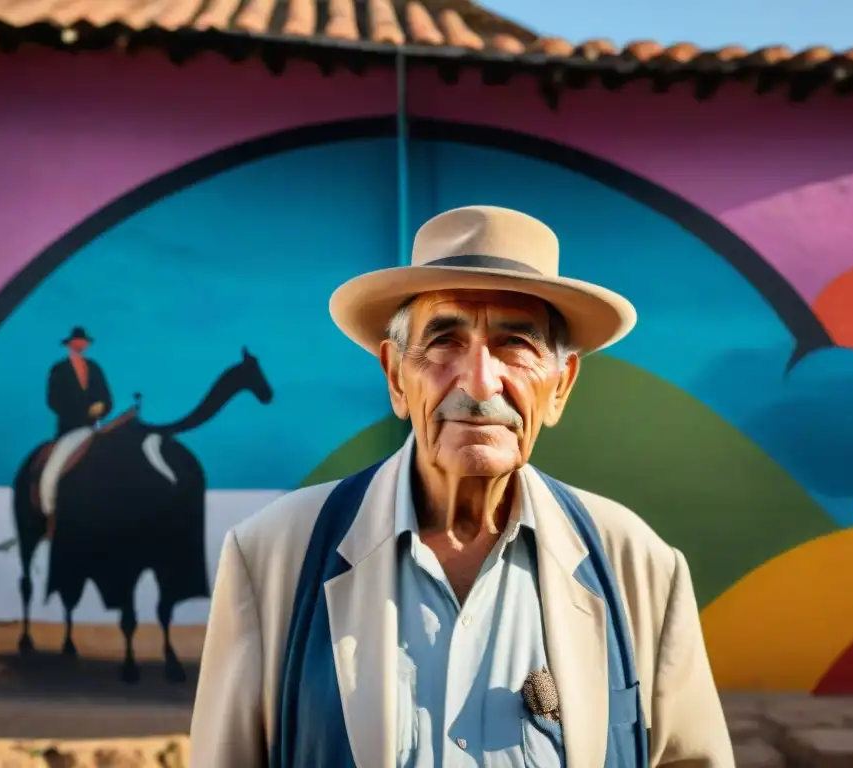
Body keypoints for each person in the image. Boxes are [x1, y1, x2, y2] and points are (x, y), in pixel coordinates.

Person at [190, 206, 734, 767]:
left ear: (560, 387)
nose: (478, 382)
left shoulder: (636, 565)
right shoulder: (274, 556)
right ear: (395, 378)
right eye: (445, 340)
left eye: (515, 345)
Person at [38, 327, 113, 531]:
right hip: (68, 429)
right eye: (76, 342)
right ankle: (49, 513)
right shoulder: (59, 369)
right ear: (70, 345)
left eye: (83, 342)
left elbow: (107, 397)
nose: (80, 345)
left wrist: (102, 407)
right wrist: (81, 412)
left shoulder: (95, 368)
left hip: (92, 430)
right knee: (52, 471)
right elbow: (53, 400)